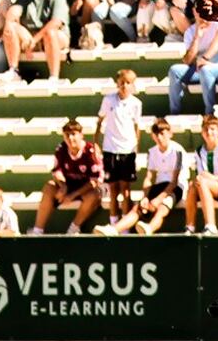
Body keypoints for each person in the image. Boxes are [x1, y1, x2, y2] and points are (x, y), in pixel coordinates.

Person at [31, 118, 103, 236]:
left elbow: (95, 181)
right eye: (67, 135)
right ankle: (37, 231)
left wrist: (72, 195)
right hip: (69, 184)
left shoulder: (91, 151)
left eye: (73, 134)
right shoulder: (61, 148)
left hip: (87, 187)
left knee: (93, 195)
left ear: (81, 135)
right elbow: (56, 171)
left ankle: (73, 228)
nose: (70, 138)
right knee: (49, 187)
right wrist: (63, 186)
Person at [97, 69, 145, 216]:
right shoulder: (108, 100)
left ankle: (124, 228)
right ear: (117, 83)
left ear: (133, 85)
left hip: (127, 150)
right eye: (122, 82)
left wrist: (135, 147)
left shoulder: (136, 103)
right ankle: (113, 223)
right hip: (110, 148)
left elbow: (137, 126)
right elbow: (100, 120)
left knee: (125, 189)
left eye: (128, 82)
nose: (124, 85)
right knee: (112, 189)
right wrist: (96, 142)